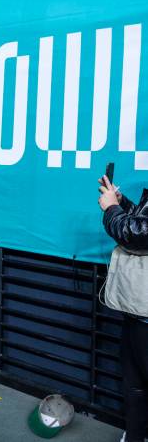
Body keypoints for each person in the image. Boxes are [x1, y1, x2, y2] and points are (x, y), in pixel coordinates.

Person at [98, 175, 148, 442]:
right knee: (135, 386)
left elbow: (134, 234)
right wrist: (123, 204)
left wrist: (111, 209)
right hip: (137, 313)